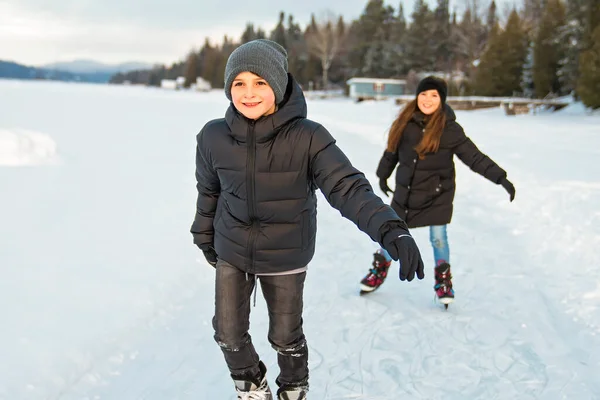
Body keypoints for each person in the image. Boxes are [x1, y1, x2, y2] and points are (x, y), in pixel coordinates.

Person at [190, 39, 425, 400]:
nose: (249, 93)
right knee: (227, 334)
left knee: (285, 335)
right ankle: (251, 383)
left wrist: (390, 229)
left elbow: (348, 188)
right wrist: (203, 235)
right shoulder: (212, 136)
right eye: (239, 83)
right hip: (232, 248)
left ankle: (294, 384)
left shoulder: (308, 137)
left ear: (278, 85)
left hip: (286, 254)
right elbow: (209, 192)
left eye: (260, 83)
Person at [359, 76, 516, 305]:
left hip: (436, 194)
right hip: (406, 193)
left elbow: (474, 157)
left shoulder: (449, 129)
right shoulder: (406, 122)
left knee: (438, 238)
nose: (427, 99)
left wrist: (501, 178)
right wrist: (383, 175)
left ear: (442, 100)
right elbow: (391, 152)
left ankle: (443, 281)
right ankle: (379, 270)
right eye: (423, 94)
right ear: (417, 96)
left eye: (434, 95)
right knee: (391, 233)